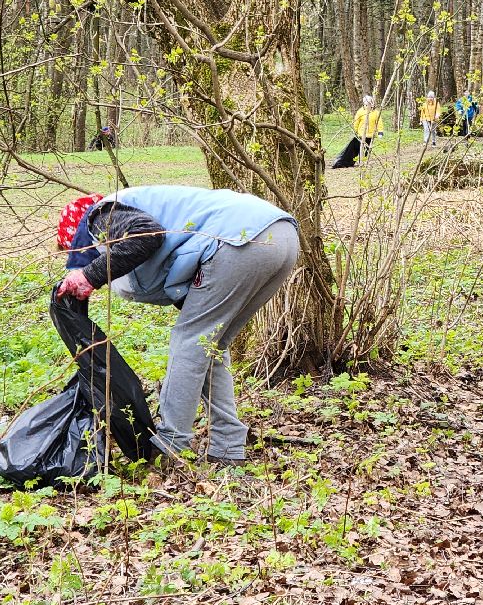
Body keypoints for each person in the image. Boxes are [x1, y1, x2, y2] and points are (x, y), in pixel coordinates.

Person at [56, 187, 300, 465]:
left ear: (79, 237)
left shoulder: (99, 217)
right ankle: (228, 447)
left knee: (189, 340)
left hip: (241, 241)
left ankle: (171, 444)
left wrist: (90, 275)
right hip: (280, 236)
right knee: (211, 346)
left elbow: (147, 237)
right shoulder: (140, 207)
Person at [353, 94, 384, 159]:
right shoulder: (360, 112)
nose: (368, 105)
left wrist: (380, 132)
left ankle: (365, 160)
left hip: (370, 135)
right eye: (366, 104)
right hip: (361, 134)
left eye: (369, 103)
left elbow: (379, 123)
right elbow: (356, 122)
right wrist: (355, 131)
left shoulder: (376, 113)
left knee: (367, 149)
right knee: (361, 148)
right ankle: (361, 161)